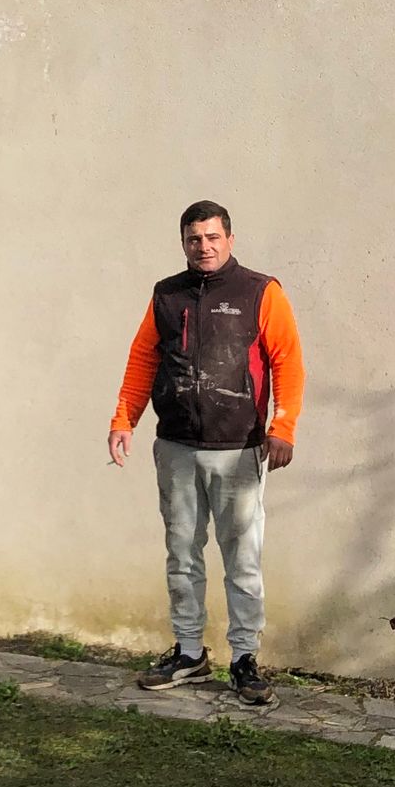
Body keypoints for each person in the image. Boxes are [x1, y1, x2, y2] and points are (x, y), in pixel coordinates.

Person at [107, 200, 304, 708]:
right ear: (184, 243)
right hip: (175, 446)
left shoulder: (261, 292)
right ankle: (190, 653)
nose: (205, 247)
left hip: (238, 449)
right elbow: (142, 358)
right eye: (195, 239)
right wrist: (123, 418)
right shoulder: (166, 296)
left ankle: (244, 660)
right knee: (182, 555)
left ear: (230, 239)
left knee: (242, 560)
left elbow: (288, 363)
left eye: (213, 237)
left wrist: (283, 427)